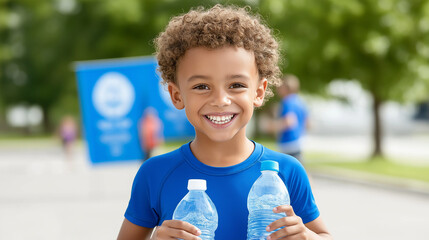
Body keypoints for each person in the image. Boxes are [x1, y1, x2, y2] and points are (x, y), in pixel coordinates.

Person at [117, 5, 332, 240]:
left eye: (236, 85)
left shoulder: (287, 172)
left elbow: (324, 235)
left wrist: (307, 237)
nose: (220, 100)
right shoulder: (155, 173)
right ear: (177, 95)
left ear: (259, 92)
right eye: (201, 87)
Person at [275, 74, 309, 163]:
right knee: (299, 170)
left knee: (290, 173)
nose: (278, 89)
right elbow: (308, 123)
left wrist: (272, 127)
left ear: (286, 88)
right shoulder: (300, 101)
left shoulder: (287, 101)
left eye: (280, 86)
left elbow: (289, 121)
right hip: (298, 142)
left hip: (288, 142)